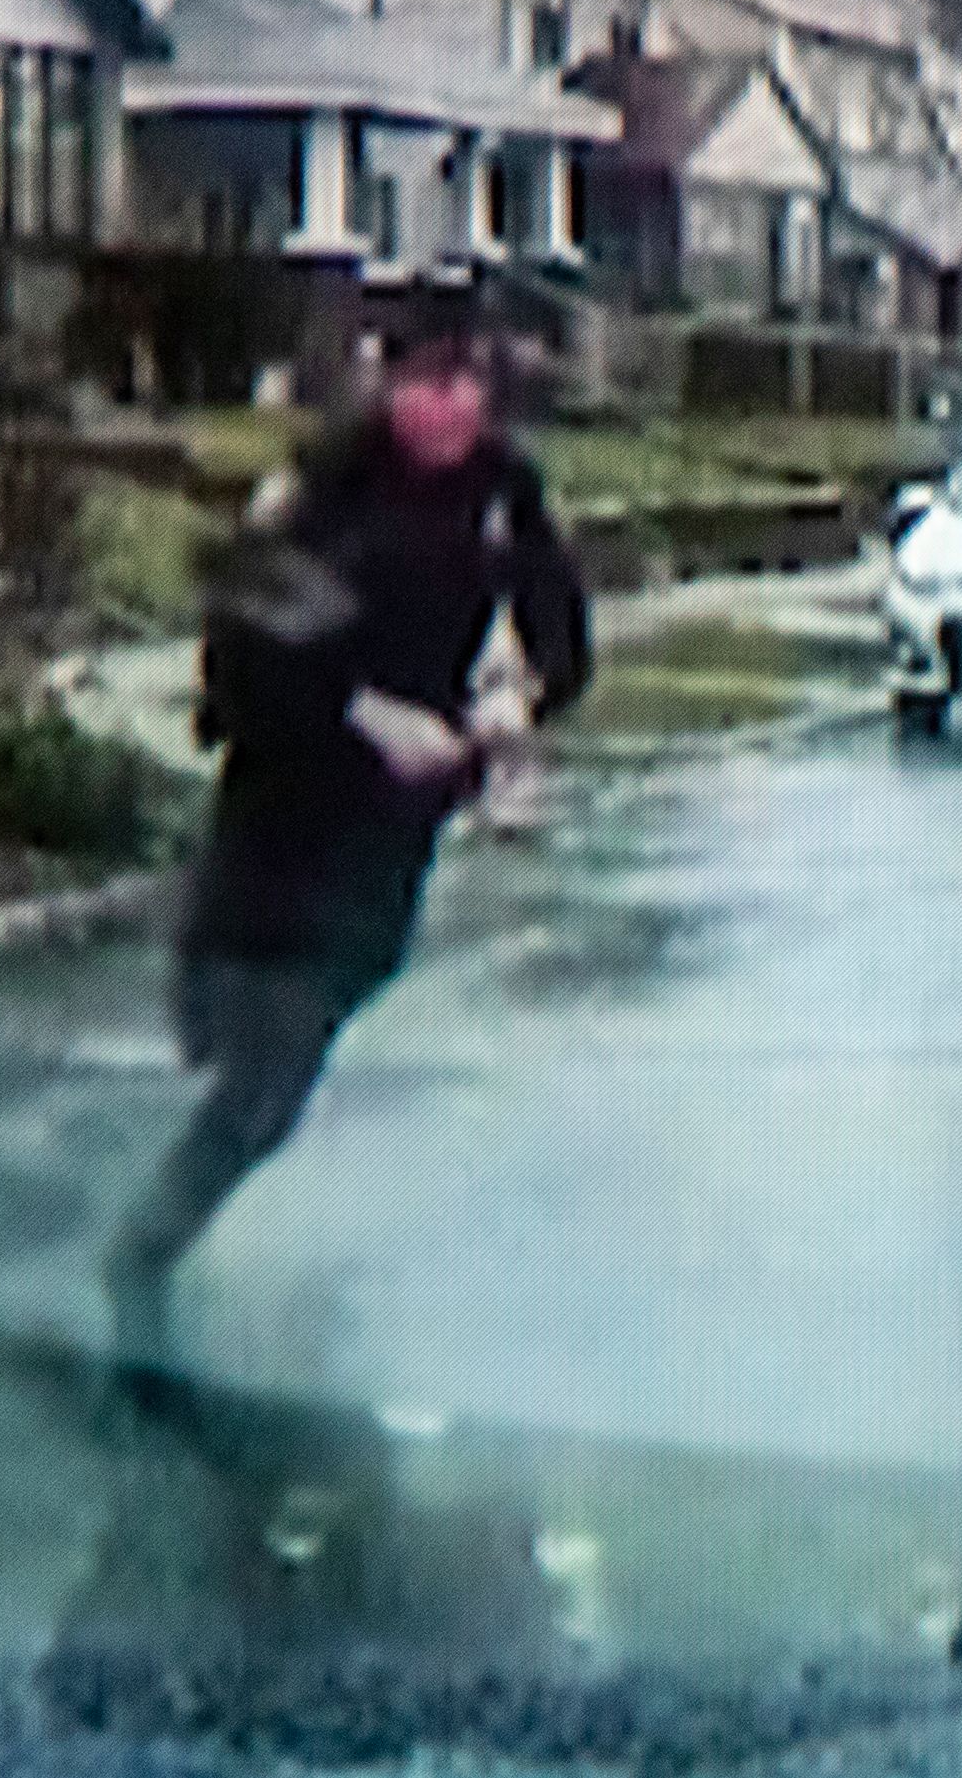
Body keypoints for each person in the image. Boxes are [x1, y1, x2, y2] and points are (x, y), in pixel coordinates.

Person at [99, 280, 593, 1359]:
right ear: (386, 381)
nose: (450, 407)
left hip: (391, 830)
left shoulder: (506, 495)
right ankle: (148, 1245)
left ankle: (149, 1230)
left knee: (308, 1021)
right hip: (285, 792)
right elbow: (237, 670)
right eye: (426, 381)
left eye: (468, 383)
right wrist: (365, 713)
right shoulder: (323, 493)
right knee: (249, 1026)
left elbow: (563, 638)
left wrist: (522, 700)